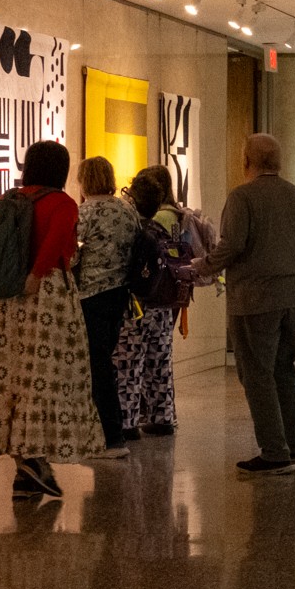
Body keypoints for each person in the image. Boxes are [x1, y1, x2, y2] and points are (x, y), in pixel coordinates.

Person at [0, 140, 106, 499]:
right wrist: (37, 274)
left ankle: (25, 473)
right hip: (46, 298)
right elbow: (60, 243)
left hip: (2, 304)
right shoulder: (62, 203)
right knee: (46, 378)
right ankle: (34, 457)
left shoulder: (6, 200)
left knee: (10, 379)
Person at [194, 134, 295, 476]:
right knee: (285, 369)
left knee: (257, 373)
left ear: (245, 160)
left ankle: (274, 450)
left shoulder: (243, 196)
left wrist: (202, 266)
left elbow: (232, 244)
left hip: (257, 297)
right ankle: (294, 445)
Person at [114, 167, 194, 438]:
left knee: (130, 363)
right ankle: (163, 417)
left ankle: (128, 421)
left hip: (138, 305)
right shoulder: (176, 218)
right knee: (160, 361)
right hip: (164, 301)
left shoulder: (141, 226)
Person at [74, 156, 139, 457]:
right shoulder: (127, 211)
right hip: (120, 294)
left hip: (92, 295)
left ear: (84, 180)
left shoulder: (85, 213)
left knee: (98, 366)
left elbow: (72, 256)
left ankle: (111, 439)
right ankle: (108, 434)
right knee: (105, 360)